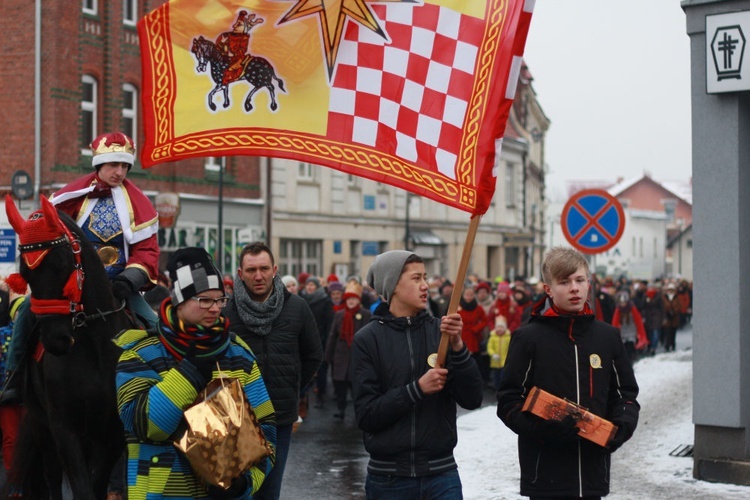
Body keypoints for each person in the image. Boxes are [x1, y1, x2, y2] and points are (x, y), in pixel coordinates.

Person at [4, 132, 160, 400]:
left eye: (124, 166)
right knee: (28, 314)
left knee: (156, 325)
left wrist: (130, 278)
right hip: (71, 284)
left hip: (120, 285)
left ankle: (162, 379)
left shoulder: (139, 203)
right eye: (113, 165)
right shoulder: (71, 197)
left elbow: (146, 251)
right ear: (99, 165)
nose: (119, 172)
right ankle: (14, 379)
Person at [114, 247, 276, 499]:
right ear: (179, 301)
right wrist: (190, 373)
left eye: (220, 300)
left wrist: (245, 485)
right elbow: (145, 425)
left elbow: (267, 429)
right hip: (159, 493)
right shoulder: (140, 353)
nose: (215, 309)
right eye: (204, 300)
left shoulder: (238, 354)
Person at [497, 247, 640, 499]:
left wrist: (621, 427)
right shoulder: (528, 338)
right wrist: (540, 430)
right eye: (564, 282)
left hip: (593, 473)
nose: (574, 288)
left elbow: (626, 394)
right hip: (545, 475)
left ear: (588, 284)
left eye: (579, 280)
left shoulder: (607, 337)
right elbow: (508, 401)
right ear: (548, 289)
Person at [351, 250, 483, 499]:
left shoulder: (440, 333)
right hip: (388, 479)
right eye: (416, 278)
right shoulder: (367, 340)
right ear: (393, 285)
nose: (426, 286)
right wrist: (417, 389)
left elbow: (472, 398)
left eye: (425, 277)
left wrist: (457, 346)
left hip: (441, 475)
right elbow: (367, 415)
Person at [225, 242, 322, 500]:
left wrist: (294, 388)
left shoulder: (297, 307)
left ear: (275, 270)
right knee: (237, 489)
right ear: (240, 273)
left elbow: (314, 355)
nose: (258, 276)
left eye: (264, 268)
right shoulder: (227, 312)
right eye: (251, 270)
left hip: (279, 415)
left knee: (269, 490)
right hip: (239, 419)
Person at [324, 281, 371, 421]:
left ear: (358, 300)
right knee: (339, 386)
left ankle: (359, 411)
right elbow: (332, 336)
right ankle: (341, 409)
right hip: (340, 356)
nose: (351, 301)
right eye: (349, 299)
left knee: (356, 387)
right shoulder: (339, 314)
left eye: (354, 299)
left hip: (357, 357)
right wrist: (327, 356)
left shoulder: (365, 314)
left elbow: (368, 337)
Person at [303, 276, 334, 409]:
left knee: (321, 370)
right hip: (305, 340)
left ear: (317, 287)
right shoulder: (301, 299)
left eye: (312, 285)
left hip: (320, 340)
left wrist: (327, 340)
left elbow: (329, 323)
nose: (309, 287)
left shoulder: (325, 301)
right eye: (308, 285)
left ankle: (320, 396)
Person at [215, 10, 263, 85]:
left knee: (230, 70)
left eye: (239, 25)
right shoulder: (225, 35)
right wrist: (222, 43)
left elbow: (242, 50)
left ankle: (224, 83)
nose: (234, 26)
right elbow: (217, 46)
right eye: (235, 23)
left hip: (237, 59)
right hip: (222, 57)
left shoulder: (243, 38)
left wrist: (233, 54)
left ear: (245, 28)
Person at [457, 286, 487, 381]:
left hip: (474, 337)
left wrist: (477, 328)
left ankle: (476, 378)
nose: (469, 297)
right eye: (467, 295)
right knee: (461, 358)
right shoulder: (458, 307)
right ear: (463, 296)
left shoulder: (478, 308)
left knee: (475, 359)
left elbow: (484, 321)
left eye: (471, 295)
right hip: (462, 336)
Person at [611, 291, 648, 364]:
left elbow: (638, 321)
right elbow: (615, 322)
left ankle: (631, 362)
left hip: (632, 332)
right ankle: (627, 362)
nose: (623, 304)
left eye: (624, 302)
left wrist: (640, 334)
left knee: (630, 348)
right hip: (622, 332)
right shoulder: (618, 310)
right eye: (621, 303)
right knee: (624, 349)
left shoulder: (632, 309)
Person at [486, 314, 511, 391]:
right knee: (495, 377)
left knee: (503, 377)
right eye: (498, 327)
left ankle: (502, 389)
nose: (500, 329)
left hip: (505, 362)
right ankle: (497, 389)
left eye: (502, 327)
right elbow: (489, 347)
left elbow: (510, 348)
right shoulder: (493, 337)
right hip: (495, 362)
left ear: (505, 328)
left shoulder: (508, 337)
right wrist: (493, 354)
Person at [662, 282, 681, 352]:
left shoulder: (676, 297)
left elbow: (679, 306)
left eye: (672, 289)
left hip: (674, 317)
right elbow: (662, 306)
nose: (670, 291)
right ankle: (667, 345)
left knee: (673, 332)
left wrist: (674, 311)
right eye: (669, 289)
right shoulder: (664, 297)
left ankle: (673, 345)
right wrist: (667, 311)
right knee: (667, 332)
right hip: (667, 317)